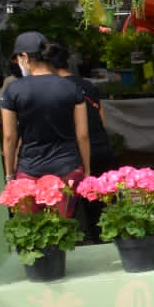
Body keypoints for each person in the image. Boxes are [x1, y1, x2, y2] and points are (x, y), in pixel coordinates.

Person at [0, 30, 90, 215]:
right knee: (62, 230)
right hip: (67, 167)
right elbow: (82, 134)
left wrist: (9, 174)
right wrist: (87, 169)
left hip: (29, 169)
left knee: (32, 230)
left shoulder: (13, 90)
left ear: (24, 57)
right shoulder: (71, 87)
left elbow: (9, 136)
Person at [48, 41, 118, 241]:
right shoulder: (88, 85)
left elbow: (78, 131)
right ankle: (103, 241)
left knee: (71, 205)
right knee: (100, 203)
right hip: (101, 147)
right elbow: (102, 120)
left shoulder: (56, 90)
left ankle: (80, 244)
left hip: (76, 152)